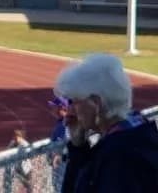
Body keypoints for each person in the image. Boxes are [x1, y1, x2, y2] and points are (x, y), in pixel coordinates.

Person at [54, 53, 158, 192]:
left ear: (95, 104)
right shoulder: (136, 134)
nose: (71, 111)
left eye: (75, 102)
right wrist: (78, 147)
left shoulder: (118, 158)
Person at [47, 96, 70, 191]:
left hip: (62, 166)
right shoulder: (60, 122)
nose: (51, 109)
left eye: (54, 106)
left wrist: (57, 155)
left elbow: (66, 141)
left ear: (62, 107)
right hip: (59, 166)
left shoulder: (65, 123)